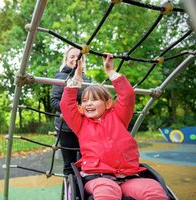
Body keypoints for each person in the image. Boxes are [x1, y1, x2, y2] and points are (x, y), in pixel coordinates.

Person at [60, 53, 168, 200]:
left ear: (108, 104)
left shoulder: (118, 117)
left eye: (95, 100)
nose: (88, 104)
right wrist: (77, 76)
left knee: (152, 189)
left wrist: (110, 71)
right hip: (98, 177)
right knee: (107, 191)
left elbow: (127, 96)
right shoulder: (81, 123)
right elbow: (66, 105)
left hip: (129, 176)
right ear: (80, 107)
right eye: (84, 101)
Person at [50, 47, 90, 175]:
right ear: (66, 59)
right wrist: (74, 110)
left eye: (78, 57)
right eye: (72, 56)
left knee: (86, 161)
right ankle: (70, 191)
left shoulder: (87, 79)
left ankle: (83, 189)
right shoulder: (61, 77)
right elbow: (54, 102)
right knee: (70, 164)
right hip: (66, 127)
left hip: (83, 126)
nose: (75, 59)